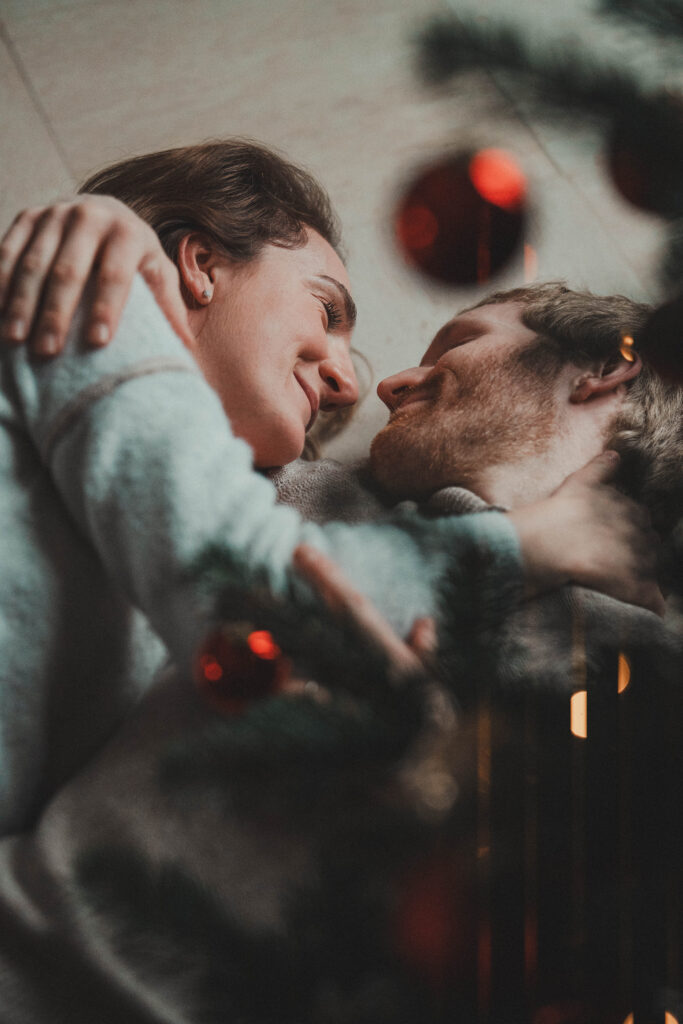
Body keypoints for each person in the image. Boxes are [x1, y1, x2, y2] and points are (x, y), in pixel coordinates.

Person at [1, 140, 657, 840]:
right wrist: (525, 544)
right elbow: (237, 592)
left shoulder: (178, 501)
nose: (358, 383)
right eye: (325, 310)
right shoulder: (91, 313)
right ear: (198, 264)